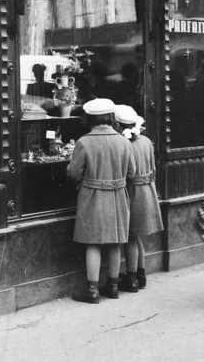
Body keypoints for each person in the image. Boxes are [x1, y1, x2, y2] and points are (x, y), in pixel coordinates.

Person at [66, 98, 132, 303]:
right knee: (115, 242)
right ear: (111, 118)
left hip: (93, 196)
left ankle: (92, 291)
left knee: (93, 243)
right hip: (118, 195)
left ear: (89, 119)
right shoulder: (124, 141)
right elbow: (132, 172)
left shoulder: (84, 142)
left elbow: (73, 173)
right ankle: (113, 286)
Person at [114, 104, 161, 293]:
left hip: (132, 191)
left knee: (130, 238)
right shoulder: (146, 141)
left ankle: (132, 278)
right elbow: (153, 167)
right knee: (136, 236)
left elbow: (127, 172)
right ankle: (141, 275)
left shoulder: (125, 144)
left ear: (117, 125)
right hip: (147, 190)